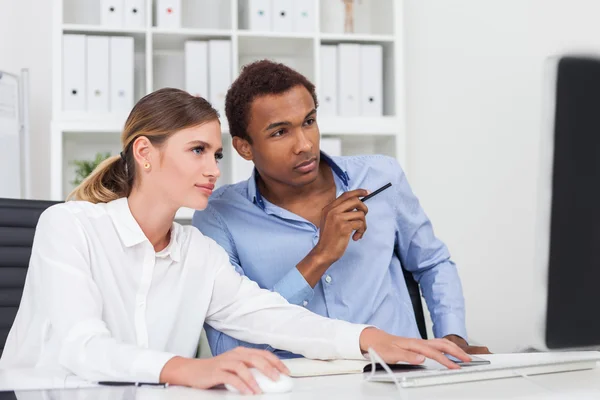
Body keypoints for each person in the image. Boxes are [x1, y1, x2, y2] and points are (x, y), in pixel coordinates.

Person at [0, 88, 470, 395]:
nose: (214, 170)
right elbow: (80, 346)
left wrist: (371, 340)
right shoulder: (69, 226)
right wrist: (187, 369)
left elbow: (272, 317)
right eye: (197, 151)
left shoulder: (196, 253)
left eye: (217, 154)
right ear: (145, 153)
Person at [193, 60, 490, 359]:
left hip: (402, 376)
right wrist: (320, 256)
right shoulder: (220, 216)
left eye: (308, 122)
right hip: (298, 386)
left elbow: (432, 263)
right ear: (245, 147)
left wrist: (453, 337)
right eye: (280, 132)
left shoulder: (380, 176)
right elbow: (230, 348)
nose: (304, 145)